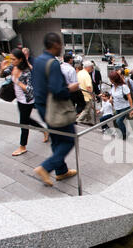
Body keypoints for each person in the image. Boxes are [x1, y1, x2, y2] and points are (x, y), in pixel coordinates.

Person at [31, 32, 80, 186]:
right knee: (70, 139)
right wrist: (71, 88)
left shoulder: (38, 60)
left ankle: (61, 171)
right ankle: (46, 168)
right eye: (61, 44)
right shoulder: (52, 64)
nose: (62, 48)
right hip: (54, 108)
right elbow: (58, 90)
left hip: (42, 107)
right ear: (55, 44)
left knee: (57, 139)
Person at [0, 48, 48, 157]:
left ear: (21, 59)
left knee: (23, 123)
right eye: (11, 59)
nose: (11, 61)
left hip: (27, 101)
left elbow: (31, 89)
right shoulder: (13, 66)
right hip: (19, 99)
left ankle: (22, 146)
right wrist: (2, 69)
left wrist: (18, 82)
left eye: (14, 59)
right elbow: (2, 75)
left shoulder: (27, 71)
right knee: (26, 119)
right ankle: (44, 130)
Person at [109, 71, 133, 140]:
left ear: (114, 79)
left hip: (125, 107)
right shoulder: (113, 86)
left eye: (111, 79)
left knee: (118, 121)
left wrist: (132, 109)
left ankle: (124, 135)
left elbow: (129, 97)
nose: (110, 81)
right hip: (117, 107)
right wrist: (111, 98)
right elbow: (111, 94)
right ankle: (121, 132)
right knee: (116, 120)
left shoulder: (124, 87)